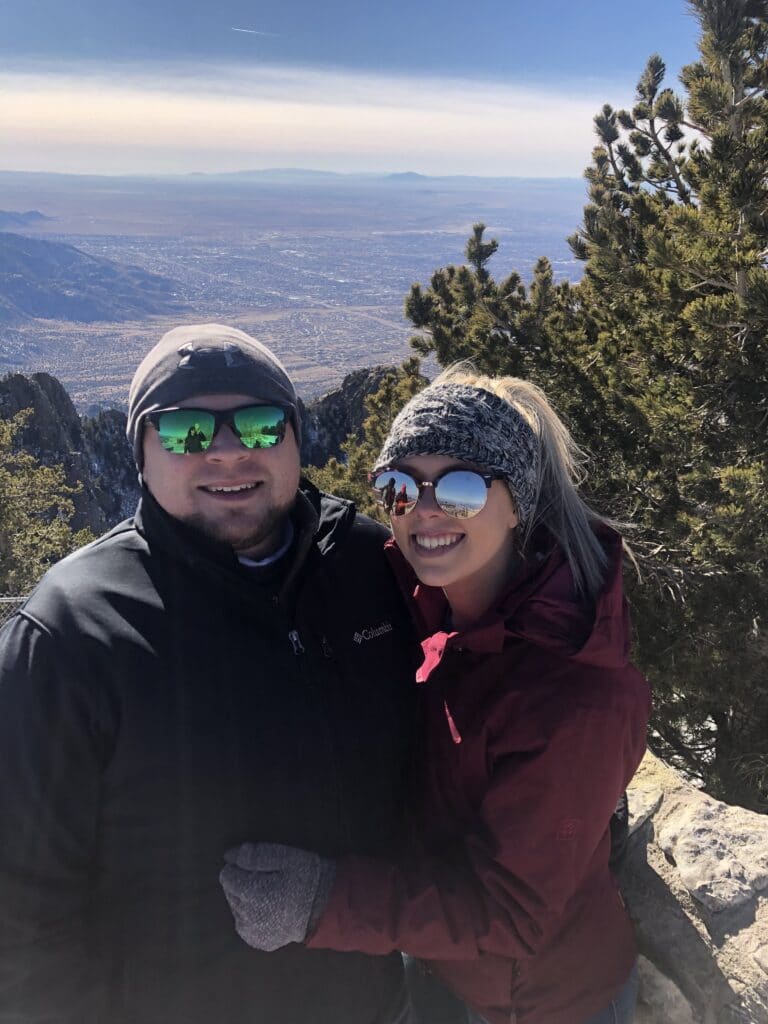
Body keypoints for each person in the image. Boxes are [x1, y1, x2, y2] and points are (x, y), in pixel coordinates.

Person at [0, 323, 419, 1024]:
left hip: (377, 1003)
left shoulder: (371, 568)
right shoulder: (73, 632)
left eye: (259, 425)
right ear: (139, 450)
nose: (227, 452)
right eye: (187, 431)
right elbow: (22, 909)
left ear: (294, 439)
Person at [220, 368, 651, 1024]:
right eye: (399, 487)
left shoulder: (572, 694)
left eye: (459, 489)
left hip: (544, 1004)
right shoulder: (438, 601)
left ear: (518, 505)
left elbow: (511, 914)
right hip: (451, 973)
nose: (424, 512)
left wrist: (325, 903)